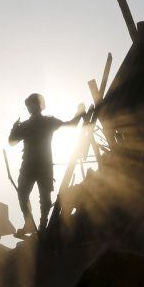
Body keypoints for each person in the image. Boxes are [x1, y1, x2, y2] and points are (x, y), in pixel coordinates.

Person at [9, 93, 85, 233]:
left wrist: (79, 112)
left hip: (41, 165)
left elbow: (71, 125)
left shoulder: (46, 122)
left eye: (32, 105)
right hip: (31, 165)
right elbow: (12, 142)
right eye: (29, 106)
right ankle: (30, 223)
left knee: (43, 196)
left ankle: (42, 224)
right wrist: (14, 128)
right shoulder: (28, 125)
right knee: (24, 193)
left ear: (39, 106)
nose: (30, 108)